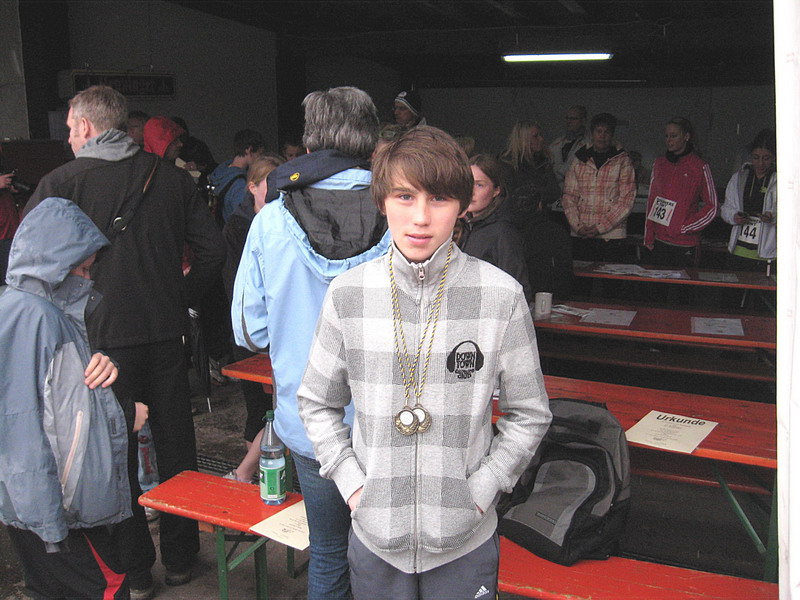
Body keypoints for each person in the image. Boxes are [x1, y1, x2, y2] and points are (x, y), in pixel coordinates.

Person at [297, 126, 552, 600]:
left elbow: (530, 413)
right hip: (375, 540)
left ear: (462, 205)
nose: (420, 217)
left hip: (465, 542)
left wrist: (482, 491)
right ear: (382, 200)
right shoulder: (348, 294)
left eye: (438, 199)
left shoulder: (501, 296)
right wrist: (354, 488)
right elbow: (316, 402)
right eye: (404, 196)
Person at [25, 84, 225, 598]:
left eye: (70, 129)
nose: (69, 138)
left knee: (113, 455)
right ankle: (182, 557)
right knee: (177, 446)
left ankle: (134, 571)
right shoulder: (172, 179)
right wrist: (180, 297)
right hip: (166, 333)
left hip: (97, 346)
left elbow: (32, 270)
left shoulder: (60, 183)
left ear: (86, 126)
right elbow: (212, 251)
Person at [232, 86, 391, 600]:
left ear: (309, 140)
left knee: (327, 552)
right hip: (390, 424)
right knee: (390, 561)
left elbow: (248, 331)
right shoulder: (405, 214)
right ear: (371, 138)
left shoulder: (271, 220)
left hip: (309, 423)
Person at [1, 197, 149, 600]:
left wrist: (103, 363)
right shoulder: (41, 318)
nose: (87, 279)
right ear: (54, 265)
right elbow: (42, 421)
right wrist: (126, 412)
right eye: (81, 269)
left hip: (29, 502)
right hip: (63, 506)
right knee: (107, 588)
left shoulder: (20, 308)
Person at [222, 154, 285, 483]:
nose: (276, 191)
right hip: (253, 328)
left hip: (278, 328)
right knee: (259, 407)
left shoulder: (285, 220)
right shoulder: (239, 225)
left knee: (280, 406)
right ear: (252, 187)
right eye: (269, 184)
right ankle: (255, 478)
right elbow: (237, 284)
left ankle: (251, 475)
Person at [561, 112, 636, 263]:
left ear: (612, 135)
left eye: (606, 132)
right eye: (598, 131)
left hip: (612, 236)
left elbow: (626, 201)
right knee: (581, 277)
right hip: (581, 233)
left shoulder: (623, 160)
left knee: (610, 278)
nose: (602, 136)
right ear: (592, 134)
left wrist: (600, 227)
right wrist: (577, 225)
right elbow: (569, 196)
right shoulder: (579, 159)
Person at [644, 117, 718, 267]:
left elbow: (712, 206)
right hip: (660, 240)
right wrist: (648, 235)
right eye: (666, 136)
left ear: (686, 136)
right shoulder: (659, 163)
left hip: (685, 243)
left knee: (683, 282)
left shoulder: (699, 166)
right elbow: (652, 200)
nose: (669, 140)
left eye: (674, 136)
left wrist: (686, 227)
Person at [457, 153, 531, 301]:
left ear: (496, 190)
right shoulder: (464, 225)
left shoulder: (503, 232)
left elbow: (518, 290)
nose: (471, 191)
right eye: (468, 183)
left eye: (479, 185)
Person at [720, 129, 776, 271]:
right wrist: (734, 216)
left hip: (766, 254)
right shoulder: (739, 177)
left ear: (774, 158)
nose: (760, 163)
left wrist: (772, 216)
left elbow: (791, 212)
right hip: (738, 250)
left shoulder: (780, 180)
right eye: (756, 157)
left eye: (766, 158)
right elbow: (726, 208)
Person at [499, 120, 560, 228]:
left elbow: (554, 191)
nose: (541, 139)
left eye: (540, 135)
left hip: (539, 220)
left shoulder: (543, 162)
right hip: (514, 222)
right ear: (523, 140)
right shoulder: (507, 164)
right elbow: (508, 196)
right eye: (535, 136)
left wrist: (536, 197)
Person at [209, 129, 265, 223]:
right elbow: (243, 219)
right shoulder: (240, 185)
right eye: (259, 154)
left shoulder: (220, 172)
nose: (260, 159)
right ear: (249, 150)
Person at [547, 105, 591, 185]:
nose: (569, 121)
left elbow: (574, 171)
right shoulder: (556, 143)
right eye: (567, 118)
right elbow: (546, 168)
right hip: (556, 189)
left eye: (573, 118)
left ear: (583, 120)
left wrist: (555, 170)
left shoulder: (589, 143)